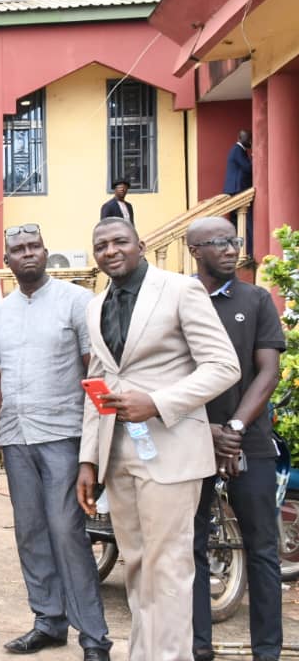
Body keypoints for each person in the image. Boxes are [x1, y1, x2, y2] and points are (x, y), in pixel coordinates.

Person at [75, 218, 240, 661]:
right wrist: (88, 461)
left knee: (169, 570)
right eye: (101, 245)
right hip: (119, 454)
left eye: (119, 241)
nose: (110, 250)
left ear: (140, 244)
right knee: (139, 568)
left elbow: (224, 366)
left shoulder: (179, 290)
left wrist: (159, 402)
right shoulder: (96, 306)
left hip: (172, 450)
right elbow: (98, 384)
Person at [0, 225, 111, 660]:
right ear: (8, 260)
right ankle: (48, 621)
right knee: (30, 534)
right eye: (18, 249)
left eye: (34, 247)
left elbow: (95, 376)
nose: (27, 254)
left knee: (67, 534)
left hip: (64, 437)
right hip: (16, 440)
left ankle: (94, 637)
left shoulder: (76, 302)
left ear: (46, 253)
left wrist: (93, 450)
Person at [187, 218, 285, 661]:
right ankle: (198, 647)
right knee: (191, 549)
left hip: (251, 443)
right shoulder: (178, 300)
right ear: (194, 251)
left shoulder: (256, 298)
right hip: (190, 442)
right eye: (219, 243)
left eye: (234, 241)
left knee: (262, 548)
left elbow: (268, 370)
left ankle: (267, 651)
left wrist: (236, 430)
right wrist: (206, 431)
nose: (231, 249)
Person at [224, 130, 253, 195]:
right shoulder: (238, 150)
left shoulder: (239, 149)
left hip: (237, 188)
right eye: (248, 138)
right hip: (236, 189)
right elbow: (248, 168)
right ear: (240, 138)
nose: (250, 141)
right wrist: (254, 155)